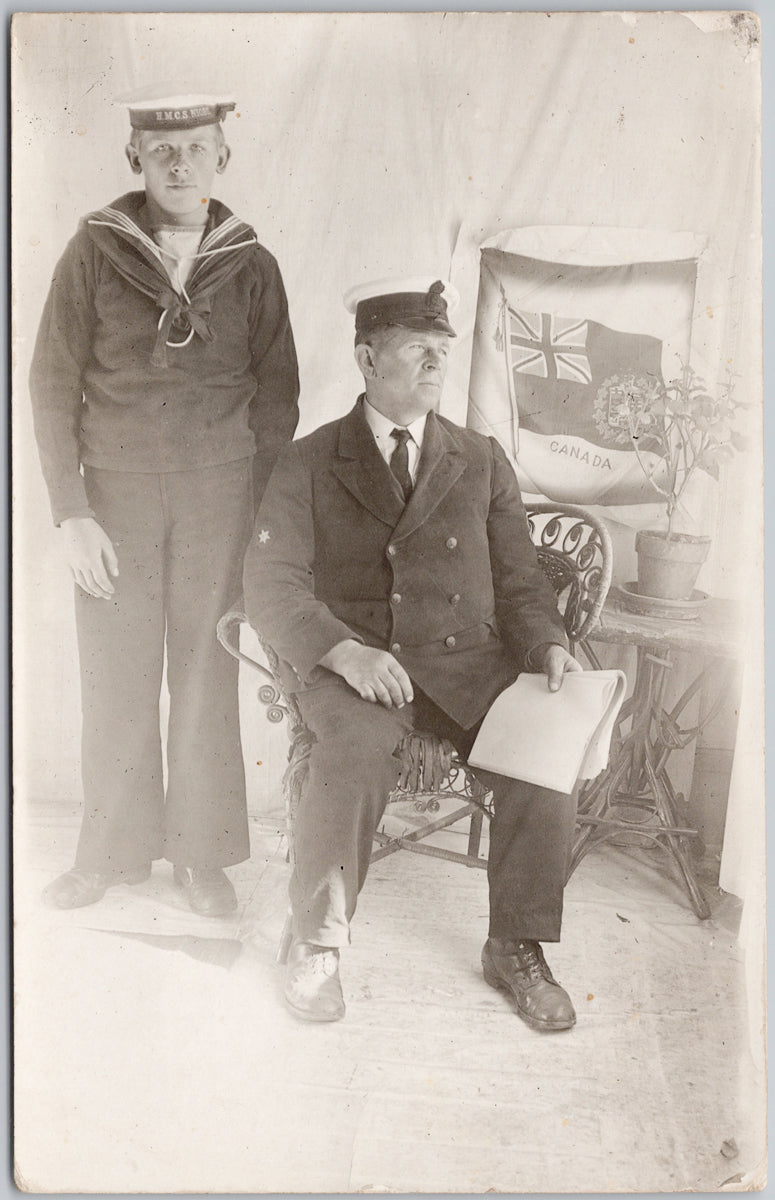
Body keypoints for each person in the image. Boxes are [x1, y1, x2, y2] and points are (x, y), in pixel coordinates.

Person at [242, 276, 583, 1028]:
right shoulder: (307, 461)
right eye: (417, 350)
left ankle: (516, 946)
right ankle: (315, 945)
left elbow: (520, 580)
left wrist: (546, 643)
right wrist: (340, 652)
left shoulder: (480, 457)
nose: (435, 365)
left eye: (441, 352)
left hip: (465, 659)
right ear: (367, 358)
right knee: (350, 757)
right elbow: (269, 584)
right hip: (357, 667)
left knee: (540, 746)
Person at [30, 86, 299, 916]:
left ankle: (200, 857)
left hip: (218, 504)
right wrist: (72, 514)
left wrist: (254, 521)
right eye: (161, 150)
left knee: (203, 671)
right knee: (116, 675)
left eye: (196, 148)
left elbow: (277, 400)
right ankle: (109, 855)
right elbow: (50, 384)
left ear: (223, 156)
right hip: (113, 503)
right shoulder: (93, 252)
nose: (179, 164)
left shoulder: (250, 263)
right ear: (134, 159)